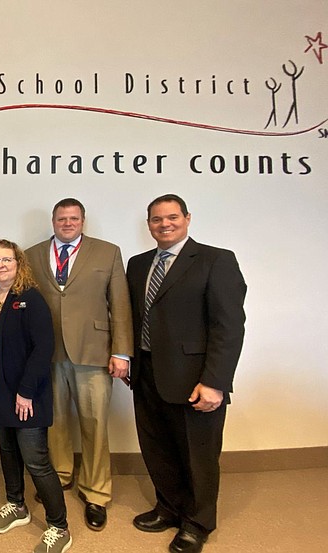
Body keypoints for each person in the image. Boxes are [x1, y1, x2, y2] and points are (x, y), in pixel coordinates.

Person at [126, 194, 246, 553]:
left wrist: (215, 382)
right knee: (157, 447)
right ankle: (169, 508)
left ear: (187, 218)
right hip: (146, 372)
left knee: (199, 454)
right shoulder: (137, 264)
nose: (165, 224)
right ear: (148, 224)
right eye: (157, 219)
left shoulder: (215, 260)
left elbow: (229, 326)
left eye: (172, 217)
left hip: (196, 379)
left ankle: (197, 522)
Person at [25, 198, 132, 531]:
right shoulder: (32, 254)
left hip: (94, 352)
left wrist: (122, 352)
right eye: (61, 219)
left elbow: (121, 303)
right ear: (53, 222)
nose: (67, 223)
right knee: (54, 421)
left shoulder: (107, 252)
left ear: (83, 221)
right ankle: (60, 474)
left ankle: (96, 493)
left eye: (73, 218)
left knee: (95, 423)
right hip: (48, 353)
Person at [0, 239, 72, 553]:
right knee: (8, 451)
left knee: (37, 461)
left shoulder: (30, 298)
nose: (1, 265)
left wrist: (26, 392)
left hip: (25, 395)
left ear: (18, 264)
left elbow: (43, 348)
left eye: (7, 260)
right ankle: (16, 505)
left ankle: (59, 527)